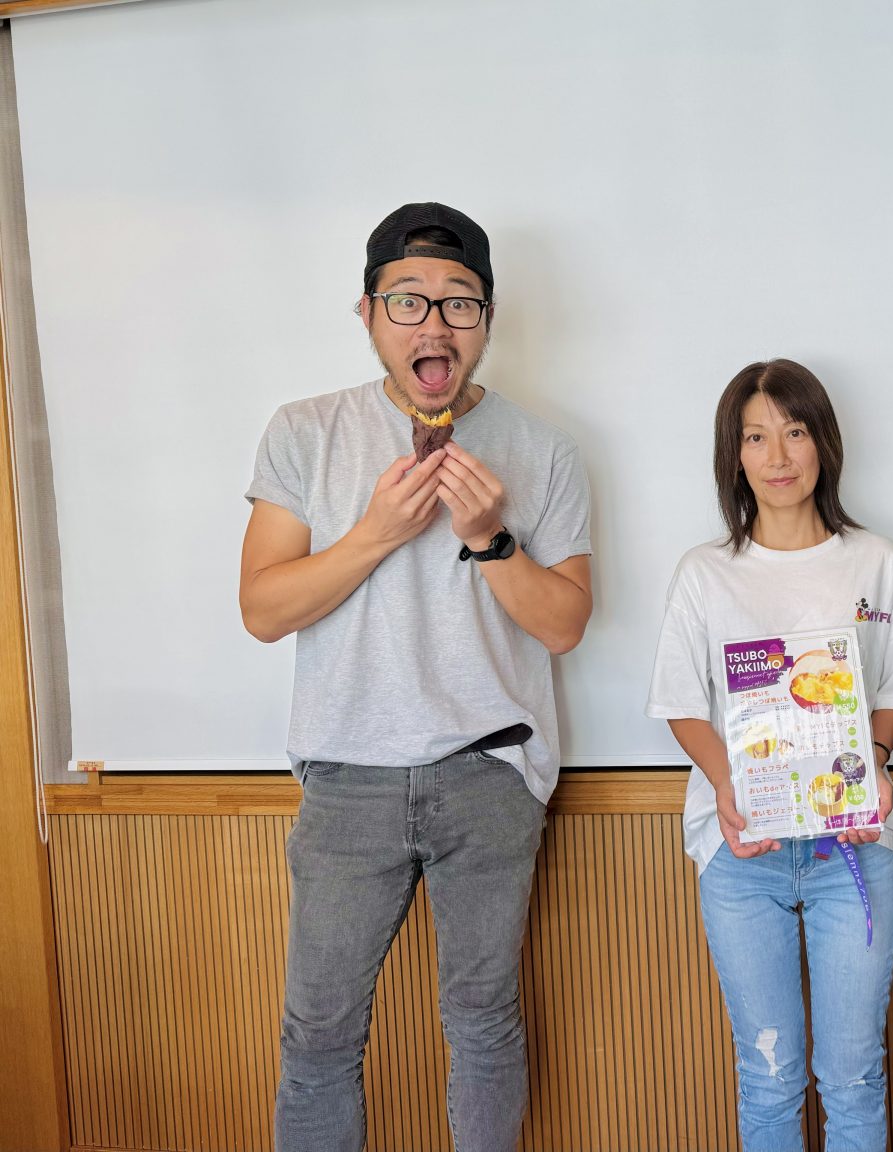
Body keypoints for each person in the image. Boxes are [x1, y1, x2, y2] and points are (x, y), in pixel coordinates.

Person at [239, 202, 593, 1152]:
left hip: (490, 771)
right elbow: (264, 609)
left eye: (458, 302)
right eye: (408, 300)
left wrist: (491, 539)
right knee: (318, 1033)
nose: (434, 323)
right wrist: (375, 534)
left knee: (484, 1022)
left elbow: (564, 624)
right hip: (346, 775)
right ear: (367, 313)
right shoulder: (305, 432)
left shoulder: (546, 449)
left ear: (486, 320)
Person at [646, 359, 893, 1152]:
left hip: (854, 847)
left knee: (855, 1078)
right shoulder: (705, 573)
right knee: (769, 1077)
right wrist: (728, 784)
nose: (777, 455)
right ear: (733, 455)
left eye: (795, 431)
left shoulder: (874, 560)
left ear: (824, 443)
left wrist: (875, 758)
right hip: (743, 854)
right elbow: (680, 704)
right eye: (755, 437)